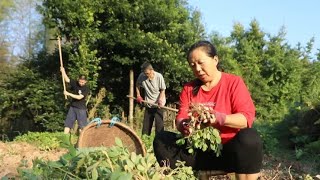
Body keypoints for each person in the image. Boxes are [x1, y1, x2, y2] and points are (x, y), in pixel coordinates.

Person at [153, 41, 263, 180]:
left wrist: (219, 118)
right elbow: (180, 117)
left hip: (229, 153)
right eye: (193, 65)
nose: (197, 69)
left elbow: (246, 119)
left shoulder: (233, 82)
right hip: (200, 153)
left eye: (201, 63)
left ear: (215, 60)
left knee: (250, 138)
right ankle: (185, 176)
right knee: (162, 139)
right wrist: (185, 126)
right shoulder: (189, 88)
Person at [136, 62, 166, 136]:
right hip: (148, 104)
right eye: (144, 73)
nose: (146, 75)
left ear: (152, 70)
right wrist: (138, 95)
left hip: (159, 105)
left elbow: (162, 90)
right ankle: (144, 144)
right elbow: (137, 85)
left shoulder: (159, 76)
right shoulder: (142, 76)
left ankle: (159, 144)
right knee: (145, 129)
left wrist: (160, 100)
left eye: (147, 73)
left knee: (159, 129)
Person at [60, 67, 90, 134]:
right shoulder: (75, 83)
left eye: (82, 82)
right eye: (80, 81)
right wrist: (63, 71)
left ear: (85, 81)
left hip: (81, 109)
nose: (81, 83)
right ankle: (64, 140)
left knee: (82, 127)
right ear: (78, 79)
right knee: (67, 124)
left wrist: (68, 93)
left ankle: (81, 142)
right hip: (73, 107)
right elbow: (67, 79)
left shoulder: (86, 88)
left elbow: (79, 97)